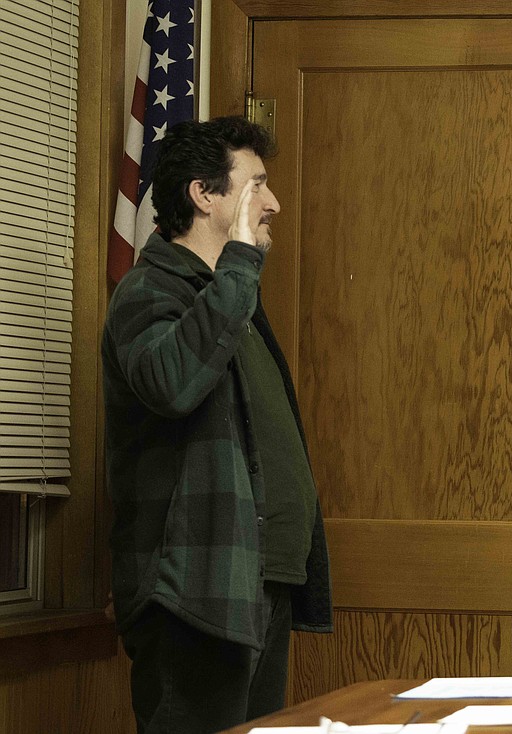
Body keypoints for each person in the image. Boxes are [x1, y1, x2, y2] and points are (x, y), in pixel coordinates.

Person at [102, 116, 332, 734]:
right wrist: (236, 265)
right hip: (192, 595)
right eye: (256, 186)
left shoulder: (229, 295)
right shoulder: (149, 291)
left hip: (256, 582)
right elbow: (173, 383)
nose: (274, 204)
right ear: (205, 196)